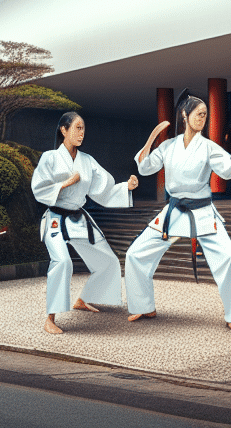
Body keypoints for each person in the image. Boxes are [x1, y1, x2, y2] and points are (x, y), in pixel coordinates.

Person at [124, 91, 231, 332]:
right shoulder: (168, 146)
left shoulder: (209, 147)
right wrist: (153, 137)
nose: (203, 118)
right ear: (184, 115)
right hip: (174, 211)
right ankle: (144, 305)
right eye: (199, 114)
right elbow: (145, 167)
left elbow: (229, 169)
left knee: (229, 257)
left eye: (205, 115)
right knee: (135, 253)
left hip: (201, 211)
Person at [31, 112, 138, 335]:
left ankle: (84, 298)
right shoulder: (50, 158)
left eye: (83, 128)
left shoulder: (87, 161)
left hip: (78, 217)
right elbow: (38, 188)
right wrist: (65, 184)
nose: (82, 133)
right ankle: (50, 318)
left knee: (108, 260)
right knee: (62, 262)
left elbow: (104, 189)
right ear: (64, 130)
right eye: (77, 128)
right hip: (55, 219)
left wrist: (125, 187)